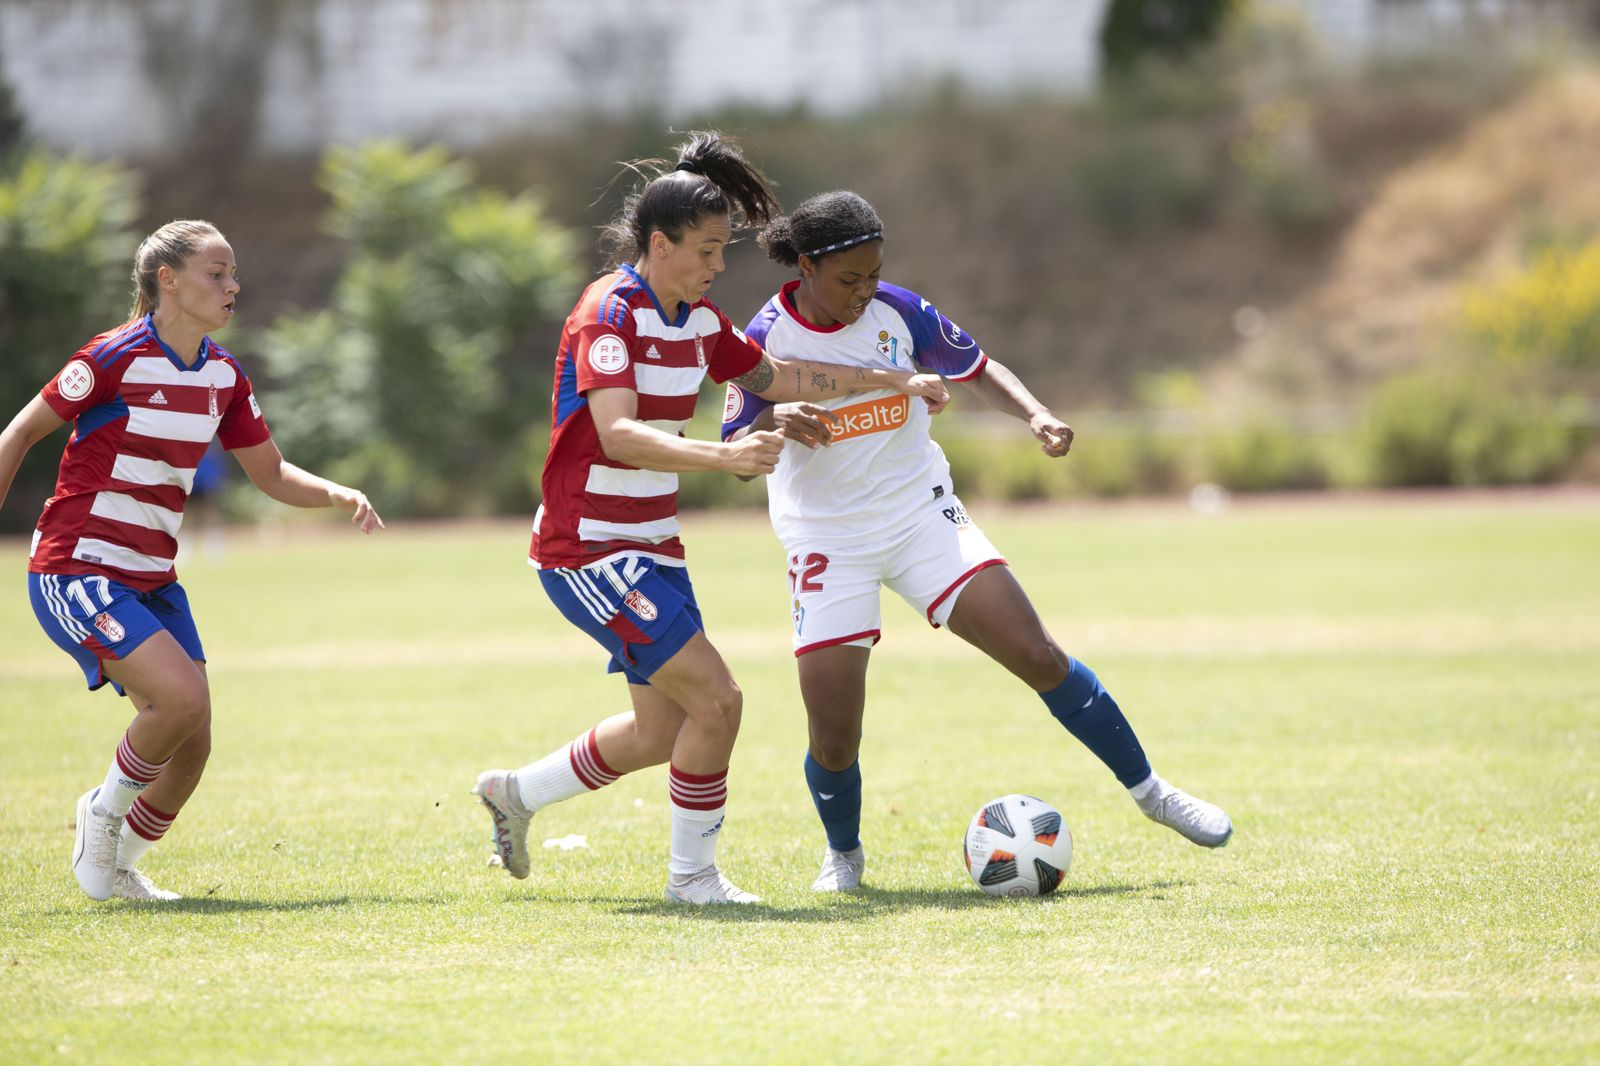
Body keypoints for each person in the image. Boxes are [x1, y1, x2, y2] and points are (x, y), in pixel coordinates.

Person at [471, 135, 948, 905]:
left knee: (662, 731)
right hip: (587, 549)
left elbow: (779, 375)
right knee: (720, 699)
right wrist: (725, 460)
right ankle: (693, 879)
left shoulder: (695, 319)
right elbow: (618, 431)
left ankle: (514, 794)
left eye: (723, 250)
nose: (717, 266)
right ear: (659, 246)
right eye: (706, 250)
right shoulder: (608, 313)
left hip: (652, 545)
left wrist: (891, 376)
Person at [721, 191, 1233, 892]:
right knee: (834, 734)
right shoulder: (763, 338)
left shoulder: (898, 310)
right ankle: (844, 856)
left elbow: (978, 365)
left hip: (920, 516)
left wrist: (1036, 414)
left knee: (1038, 653)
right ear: (806, 266)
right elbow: (735, 449)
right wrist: (778, 421)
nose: (865, 292)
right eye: (849, 279)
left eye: (874, 275)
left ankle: (1153, 793)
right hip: (826, 538)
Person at [0, 219, 384, 902]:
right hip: (77, 567)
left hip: (152, 580)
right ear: (167, 280)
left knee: (194, 739)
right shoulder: (113, 357)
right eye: (217, 272)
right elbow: (22, 431)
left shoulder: (224, 375)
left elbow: (269, 473)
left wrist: (337, 493)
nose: (233, 285)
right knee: (179, 701)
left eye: (234, 273)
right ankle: (102, 814)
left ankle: (118, 863)